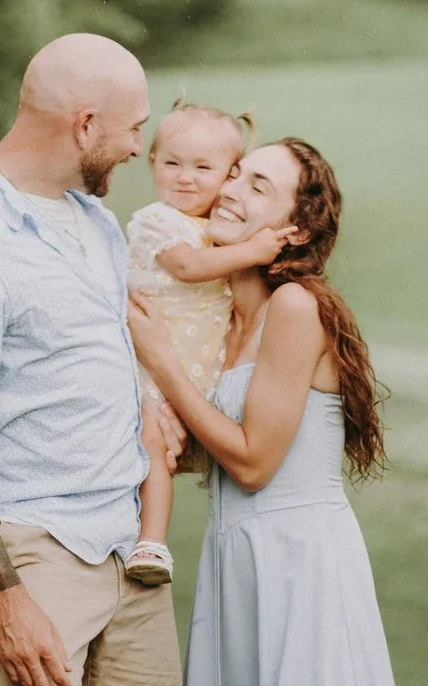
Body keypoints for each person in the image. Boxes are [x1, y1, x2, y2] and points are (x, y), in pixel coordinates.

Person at [0, 33, 183, 686]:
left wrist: (142, 404)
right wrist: (8, 601)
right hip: (36, 557)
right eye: (134, 129)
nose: (139, 149)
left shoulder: (95, 222)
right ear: (85, 126)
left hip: (128, 549)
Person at [128, 139, 395, 686]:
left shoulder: (295, 306)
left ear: (294, 231)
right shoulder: (220, 321)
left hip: (297, 559)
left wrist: (160, 359)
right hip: (233, 554)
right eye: (236, 175)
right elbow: (202, 436)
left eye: (258, 186)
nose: (229, 190)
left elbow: (253, 464)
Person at [123, 101, 286, 588]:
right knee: (151, 442)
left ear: (228, 174)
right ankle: (150, 542)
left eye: (203, 167)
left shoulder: (214, 226)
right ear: (152, 161)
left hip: (193, 370)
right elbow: (187, 268)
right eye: (172, 163)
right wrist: (253, 250)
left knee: (170, 449)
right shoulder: (159, 221)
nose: (186, 178)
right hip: (150, 370)